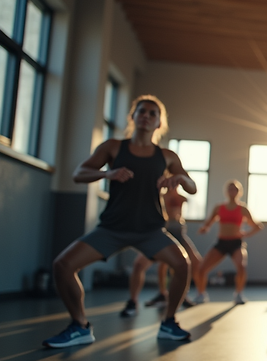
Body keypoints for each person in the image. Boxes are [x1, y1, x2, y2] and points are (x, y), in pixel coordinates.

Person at [43, 95, 197, 347]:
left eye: (152, 114)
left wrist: (179, 180)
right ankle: (79, 326)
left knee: (182, 264)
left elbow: (191, 187)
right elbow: (79, 173)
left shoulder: (166, 156)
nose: (146, 116)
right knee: (62, 265)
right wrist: (108, 172)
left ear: (159, 123)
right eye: (142, 111)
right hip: (112, 228)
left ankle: (169, 323)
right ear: (133, 117)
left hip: (150, 230)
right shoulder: (113, 147)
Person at [133, 187, 203, 313]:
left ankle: (184, 294)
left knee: (194, 261)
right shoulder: (162, 196)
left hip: (179, 232)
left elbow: (188, 197)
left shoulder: (181, 198)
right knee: (162, 264)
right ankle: (162, 294)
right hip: (165, 231)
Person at [195, 180, 263, 304]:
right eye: (230, 189)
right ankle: (201, 294)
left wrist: (246, 233)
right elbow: (208, 223)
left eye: (235, 189)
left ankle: (239, 294)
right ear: (226, 192)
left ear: (239, 192)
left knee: (241, 267)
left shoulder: (242, 209)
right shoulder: (219, 207)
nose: (232, 191)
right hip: (221, 242)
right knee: (202, 268)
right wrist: (204, 228)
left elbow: (257, 226)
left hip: (236, 243)